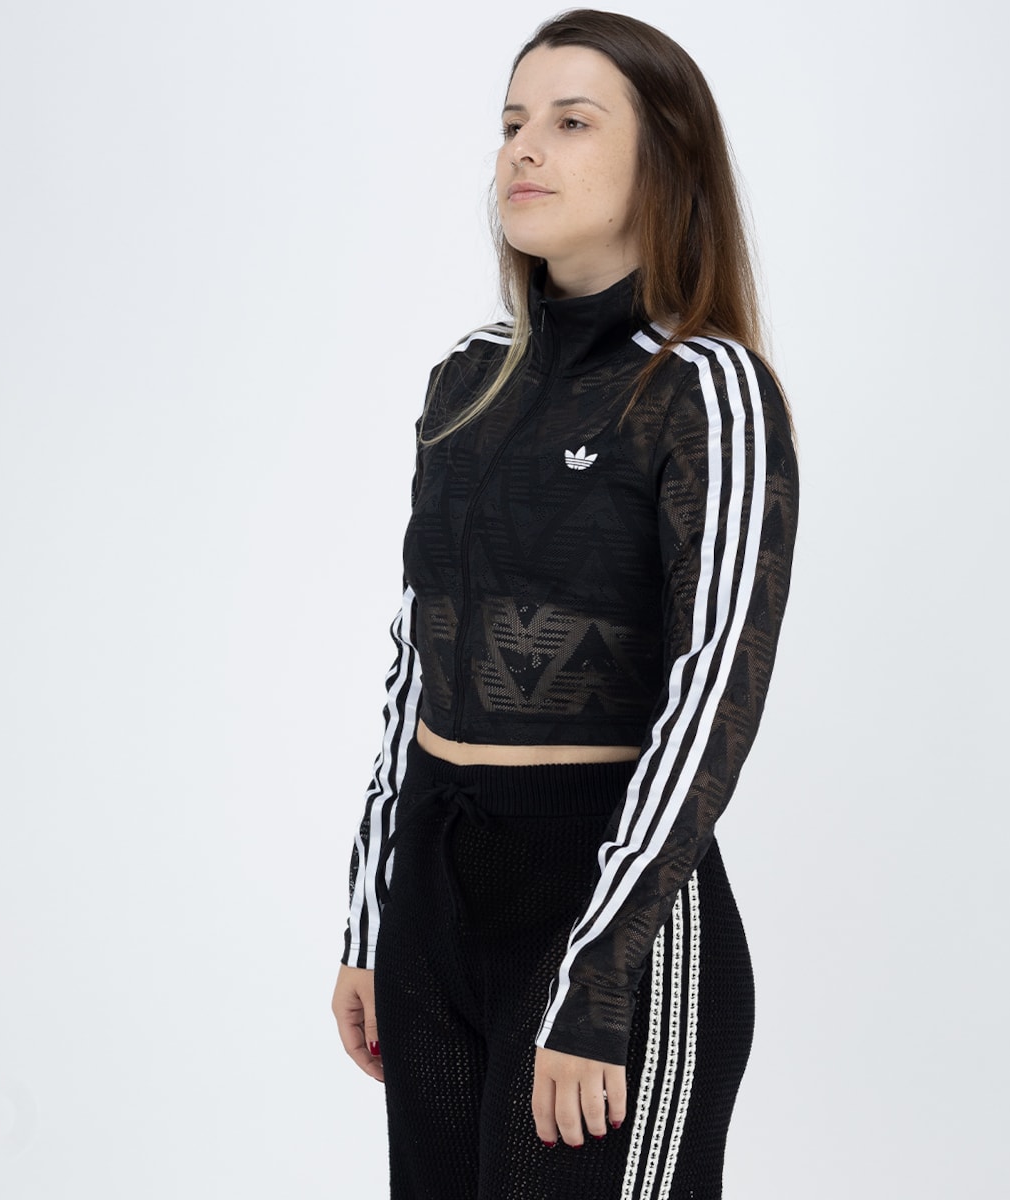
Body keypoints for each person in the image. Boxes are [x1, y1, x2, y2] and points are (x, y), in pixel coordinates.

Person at [330, 9, 800, 1197]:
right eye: (511, 124)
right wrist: (374, 920)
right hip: (435, 894)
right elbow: (416, 663)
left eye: (572, 122)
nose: (523, 150)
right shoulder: (466, 379)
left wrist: (599, 978)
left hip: (602, 904)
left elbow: (715, 694)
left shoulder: (709, 389)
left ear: (664, 160)